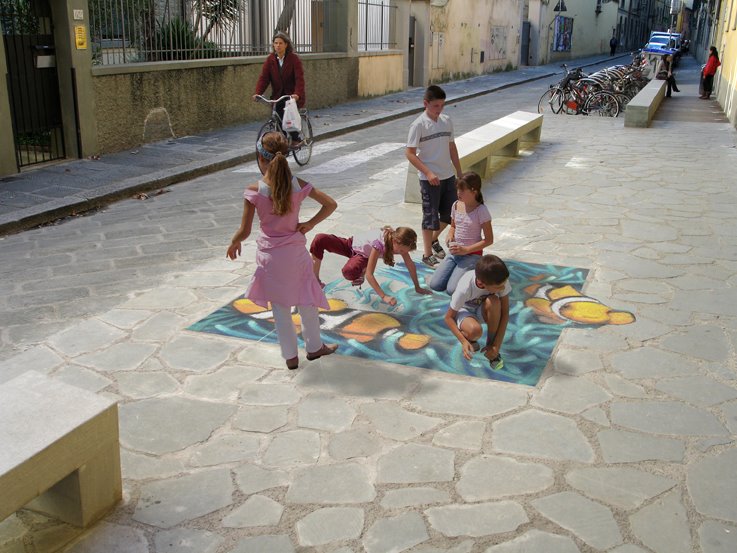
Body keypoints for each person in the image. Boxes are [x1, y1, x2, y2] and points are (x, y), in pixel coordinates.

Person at [227, 132, 337, 370]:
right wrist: (310, 224)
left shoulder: (254, 190)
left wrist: (234, 241)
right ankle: (314, 347)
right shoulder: (298, 185)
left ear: (260, 157)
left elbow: (244, 230)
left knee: (280, 306)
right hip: (295, 253)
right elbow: (331, 204)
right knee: (307, 298)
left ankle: (290, 357)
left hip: (270, 257)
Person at [406, 85, 463, 269]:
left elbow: (452, 147)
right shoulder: (418, 125)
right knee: (430, 217)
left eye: (442, 105)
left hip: (448, 176)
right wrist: (428, 172)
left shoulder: (447, 121)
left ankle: (433, 240)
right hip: (429, 179)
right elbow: (410, 154)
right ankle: (427, 254)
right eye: (436, 106)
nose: (439, 109)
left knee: (449, 214)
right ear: (426, 104)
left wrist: (459, 172)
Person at [309, 226, 432, 306]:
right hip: (350, 244)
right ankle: (315, 279)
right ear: (395, 241)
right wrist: (384, 296)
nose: (401, 254)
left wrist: (417, 287)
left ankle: (360, 269)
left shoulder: (397, 243)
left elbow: (410, 265)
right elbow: (370, 274)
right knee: (320, 239)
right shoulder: (379, 243)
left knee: (349, 272)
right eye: (400, 251)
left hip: (362, 256)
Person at [429, 171, 493, 295]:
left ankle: (475, 274)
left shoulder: (481, 211)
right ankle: (459, 273)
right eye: (458, 189)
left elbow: (489, 240)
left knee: (452, 290)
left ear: (474, 191)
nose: (458, 193)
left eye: (462, 190)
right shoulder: (456, 205)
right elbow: (453, 226)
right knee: (435, 285)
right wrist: (450, 234)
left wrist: (466, 250)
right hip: (454, 253)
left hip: (472, 255)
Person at [444, 254, 510, 370]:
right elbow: (448, 318)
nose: (503, 288)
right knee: (475, 331)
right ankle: (469, 336)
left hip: (482, 309)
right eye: (498, 287)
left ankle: (490, 345)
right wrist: (463, 341)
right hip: (464, 310)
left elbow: (505, 313)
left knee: (494, 301)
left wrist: (496, 346)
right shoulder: (465, 288)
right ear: (482, 283)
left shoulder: (500, 279)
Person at [253, 31, 305, 139]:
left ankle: (296, 139)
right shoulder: (270, 60)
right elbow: (264, 78)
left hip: (291, 96)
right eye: (276, 43)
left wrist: (297, 94)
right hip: (277, 96)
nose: (278, 46)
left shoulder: (294, 59)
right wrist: (258, 93)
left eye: (281, 43)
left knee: (290, 120)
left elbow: (299, 79)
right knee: (279, 121)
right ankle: (282, 144)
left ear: (286, 44)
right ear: (273, 45)